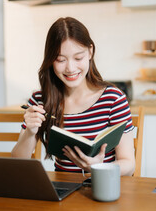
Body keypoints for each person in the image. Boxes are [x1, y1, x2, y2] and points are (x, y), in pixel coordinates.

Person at [11, 17, 135, 176]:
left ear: (90, 52)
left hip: (103, 188)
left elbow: (129, 164)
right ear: (50, 61)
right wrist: (29, 131)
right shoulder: (40, 100)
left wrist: (99, 168)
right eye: (60, 59)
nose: (70, 68)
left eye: (78, 58)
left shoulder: (113, 99)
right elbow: (18, 160)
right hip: (62, 193)